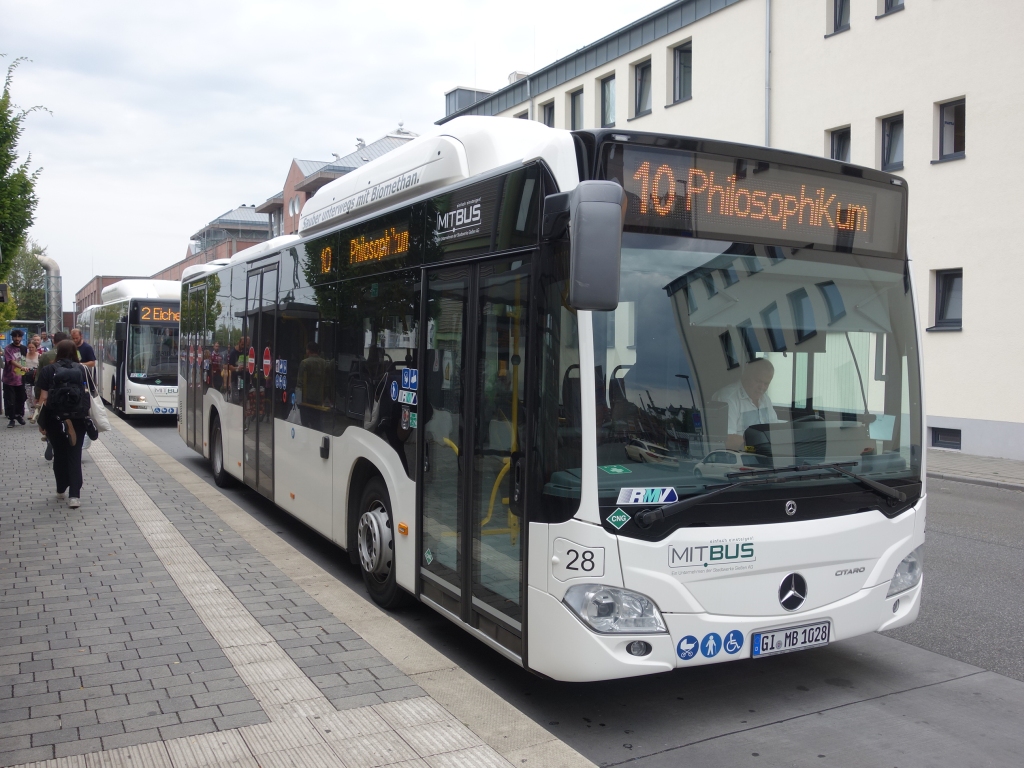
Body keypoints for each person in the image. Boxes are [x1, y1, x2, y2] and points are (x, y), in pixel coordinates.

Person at [36, 339, 94, 508]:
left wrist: (41, 421)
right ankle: (74, 496)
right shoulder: (82, 369)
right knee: (74, 454)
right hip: (78, 418)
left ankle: (61, 487)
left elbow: (44, 398)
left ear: (58, 352)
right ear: (75, 353)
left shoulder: (48, 370)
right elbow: (89, 393)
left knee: (59, 453)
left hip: (55, 418)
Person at [713, 357, 783, 451]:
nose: (761, 387)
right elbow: (727, 440)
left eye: (766, 384)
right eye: (758, 381)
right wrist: (757, 448)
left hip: (764, 454)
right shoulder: (728, 399)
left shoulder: (765, 399)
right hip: (737, 457)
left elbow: (775, 430)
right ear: (747, 375)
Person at [36, 332, 69, 461]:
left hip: (50, 397)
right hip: (69, 398)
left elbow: (39, 378)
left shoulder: (45, 356)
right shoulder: (74, 355)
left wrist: (38, 398)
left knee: (51, 422)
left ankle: (51, 438)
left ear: (54, 341)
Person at [296, 341, 331, 431]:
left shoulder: (304, 363)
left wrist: (298, 400)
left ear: (308, 351)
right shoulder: (325, 364)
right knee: (317, 424)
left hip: (306, 400)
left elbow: (300, 383)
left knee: (306, 425)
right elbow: (327, 383)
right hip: (319, 400)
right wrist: (324, 397)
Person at [3, 329, 28, 427]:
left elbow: (26, 360)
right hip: (9, 378)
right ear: (12, 337)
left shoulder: (24, 348)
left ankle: (19, 415)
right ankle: (11, 418)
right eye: (15, 337)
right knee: (10, 400)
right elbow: (11, 361)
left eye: (19, 337)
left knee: (21, 398)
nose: (17, 339)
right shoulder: (8, 348)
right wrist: (22, 367)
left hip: (20, 378)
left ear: (21, 338)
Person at [24, 339, 41, 422]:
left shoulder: (39, 355)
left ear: (36, 347)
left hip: (36, 377)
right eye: (29, 347)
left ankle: (37, 412)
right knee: (28, 396)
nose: (31, 349)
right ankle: (31, 412)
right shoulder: (25, 355)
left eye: (32, 347)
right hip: (27, 377)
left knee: (35, 395)